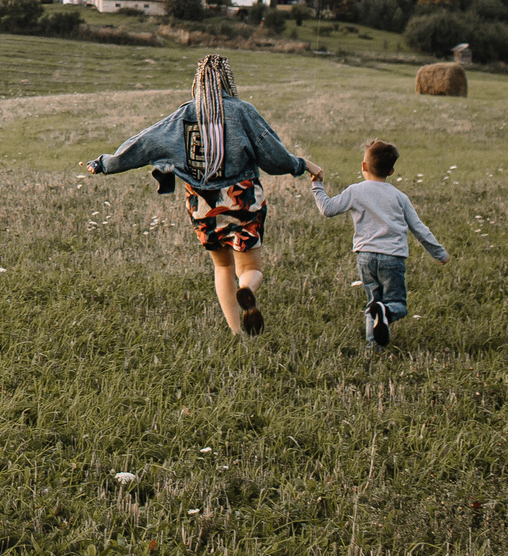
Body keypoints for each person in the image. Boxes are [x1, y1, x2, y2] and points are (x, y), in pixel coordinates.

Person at [85, 54, 318, 336]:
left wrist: (105, 163)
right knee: (249, 267)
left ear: (197, 82)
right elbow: (272, 153)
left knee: (221, 266)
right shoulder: (242, 111)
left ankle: (236, 333)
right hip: (240, 196)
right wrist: (301, 165)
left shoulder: (184, 114)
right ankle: (247, 290)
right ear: (227, 80)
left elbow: (145, 143)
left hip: (201, 203)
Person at [308, 138, 447, 348]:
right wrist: (439, 253)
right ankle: (386, 313)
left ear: (364, 166)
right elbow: (419, 229)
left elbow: (327, 209)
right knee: (397, 305)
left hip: (365, 257)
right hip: (392, 257)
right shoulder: (400, 197)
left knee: (373, 303)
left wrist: (316, 185)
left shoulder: (356, 191)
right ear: (391, 171)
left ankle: (373, 349)